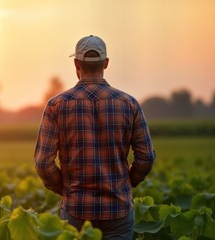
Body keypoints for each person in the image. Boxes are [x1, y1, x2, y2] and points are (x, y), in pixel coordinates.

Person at [34, 35, 156, 240]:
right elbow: (146, 158)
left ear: (76, 64)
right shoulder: (129, 104)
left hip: (75, 211)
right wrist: (127, 183)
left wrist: (63, 188)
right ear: (106, 63)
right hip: (119, 211)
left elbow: (43, 163)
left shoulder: (56, 105)